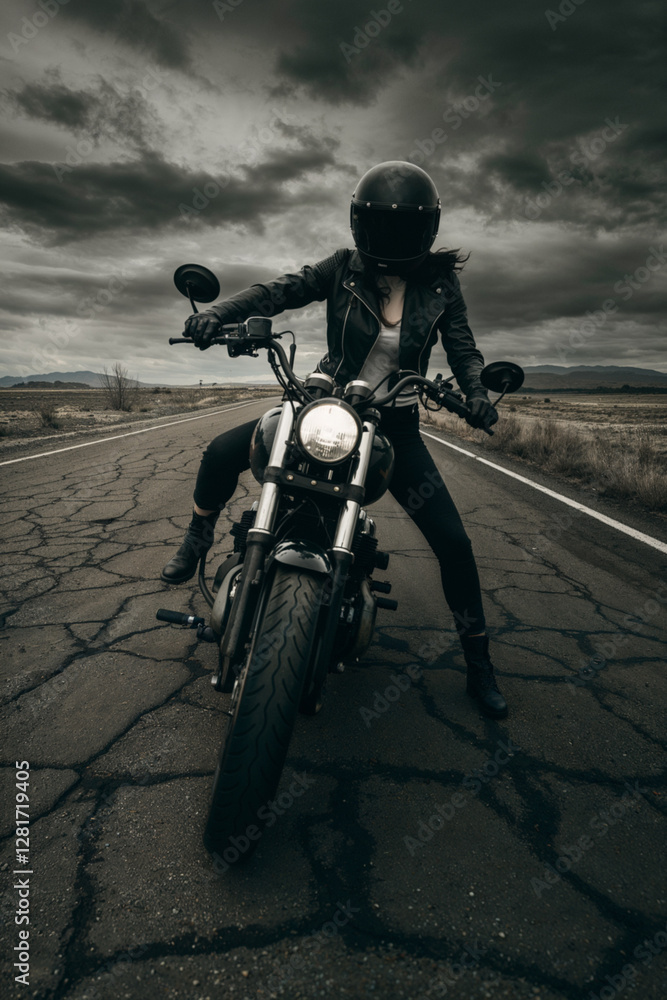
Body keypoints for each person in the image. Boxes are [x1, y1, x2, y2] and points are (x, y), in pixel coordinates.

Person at [161, 161, 508, 718]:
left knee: (455, 544)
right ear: (360, 225)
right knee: (223, 451)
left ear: (425, 230)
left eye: (402, 229)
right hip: (326, 406)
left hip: (393, 423)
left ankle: (479, 666)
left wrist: (476, 394)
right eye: (380, 227)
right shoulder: (342, 268)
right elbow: (279, 291)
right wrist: (220, 314)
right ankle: (197, 540)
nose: (389, 240)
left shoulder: (441, 285)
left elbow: (464, 348)